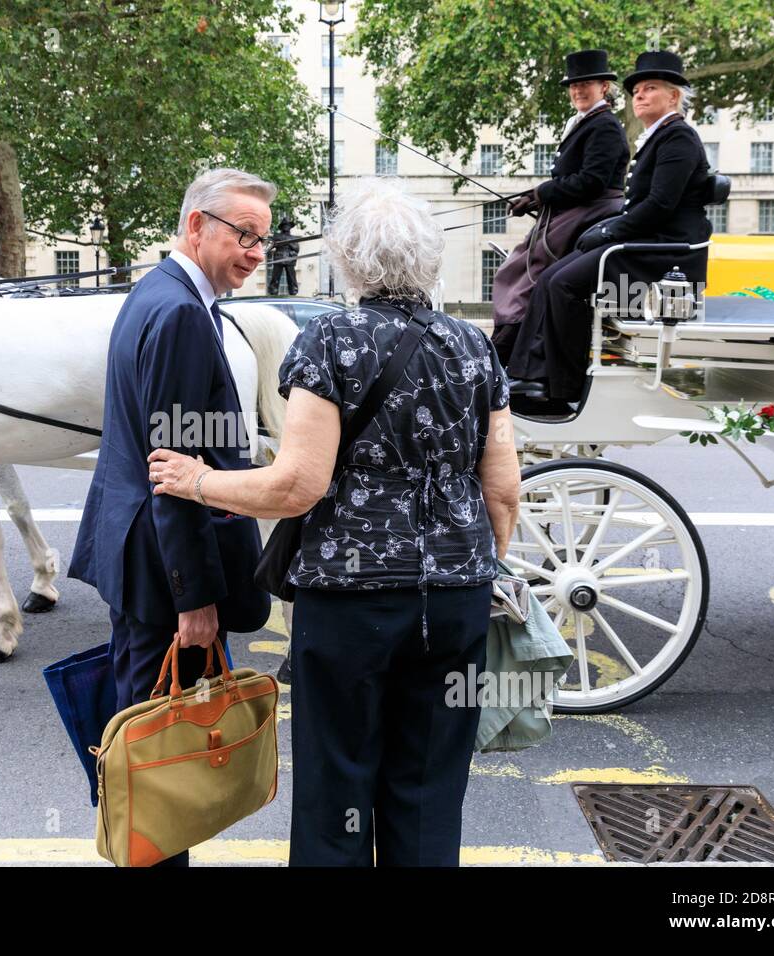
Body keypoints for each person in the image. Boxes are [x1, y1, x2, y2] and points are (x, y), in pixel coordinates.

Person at [147, 177, 522, 866]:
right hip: (456, 598)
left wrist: (197, 480)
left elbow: (297, 485)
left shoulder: (332, 342)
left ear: (348, 258)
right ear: (431, 259)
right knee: (429, 789)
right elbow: (503, 489)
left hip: (352, 604)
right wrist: (472, 568)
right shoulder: (474, 347)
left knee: (337, 786)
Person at [68, 168, 275, 867]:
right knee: (162, 754)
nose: (255, 251)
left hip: (134, 551)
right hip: (165, 568)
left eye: (263, 240)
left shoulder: (157, 293)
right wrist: (196, 600)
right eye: (243, 234)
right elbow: (174, 468)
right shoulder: (184, 312)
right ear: (196, 225)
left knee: (145, 738)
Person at [507, 50, 713, 404]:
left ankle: (562, 386)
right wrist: (611, 228)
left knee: (564, 285)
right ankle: (530, 374)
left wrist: (609, 230)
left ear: (673, 96)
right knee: (552, 277)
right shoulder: (660, 136)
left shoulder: (678, 137)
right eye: (636, 91)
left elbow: (659, 206)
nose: (639, 96)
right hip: (646, 241)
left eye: (650, 89)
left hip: (666, 251)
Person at [492, 49, 629, 365]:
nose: (578, 91)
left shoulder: (604, 125)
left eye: (586, 85)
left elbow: (591, 181)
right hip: (572, 210)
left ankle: (512, 351)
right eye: (574, 86)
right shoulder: (584, 123)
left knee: (527, 272)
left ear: (603, 88)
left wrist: (542, 193)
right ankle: (510, 346)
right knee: (516, 267)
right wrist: (534, 196)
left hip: (591, 211)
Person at [266, 217, 300, 295]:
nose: (286, 227)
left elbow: (297, 249)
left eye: (288, 225)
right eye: (285, 225)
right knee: (275, 277)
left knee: (292, 278)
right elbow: (271, 246)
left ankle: (293, 291)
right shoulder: (277, 236)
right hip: (279, 258)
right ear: (282, 227)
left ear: (290, 227)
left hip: (290, 260)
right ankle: (273, 291)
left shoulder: (293, 238)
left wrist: (289, 243)